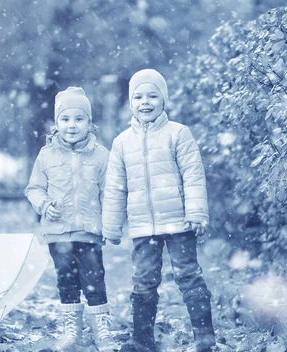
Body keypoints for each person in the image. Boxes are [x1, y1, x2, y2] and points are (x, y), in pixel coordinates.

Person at [102, 69, 215, 352]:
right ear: (131, 102)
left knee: (188, 275)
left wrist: (197, 212)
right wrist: (112, 227)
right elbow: (115, 188)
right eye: (138, 96)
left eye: (153, 95)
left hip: (179, 224)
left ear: (163, 100)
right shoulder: (122, 142)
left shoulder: (178, 133)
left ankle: (204, 337)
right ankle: (142, 341)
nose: (145, 102)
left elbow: (193, 175)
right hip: (142, 227)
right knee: (143, 281)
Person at [25, 87, 118, 351]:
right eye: (65, 119)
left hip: (89, 230)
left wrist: (110, 225)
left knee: (94, 278)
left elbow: (109, 193)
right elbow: (33, 188)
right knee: (65, 278)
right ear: (56, 124)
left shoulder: (101, 156)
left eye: (79, 119)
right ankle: (71, 330)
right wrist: (43, 205)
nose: (72, 125)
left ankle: (102, 330)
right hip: (58, 231)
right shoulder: (46, 155)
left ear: (90, 123)